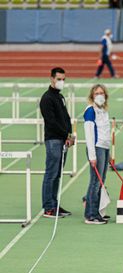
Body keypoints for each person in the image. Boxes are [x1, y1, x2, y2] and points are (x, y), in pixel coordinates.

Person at [40, 67, 74, 218]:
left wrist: (70, 134)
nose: (61, 82)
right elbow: (51, 122)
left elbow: (66, 118)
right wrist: (65, 134)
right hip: (53, 140)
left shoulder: (60, 97)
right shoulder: (47, 98)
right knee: (51, 174)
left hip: (63, 139)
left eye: (63, 79)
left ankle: (54, 204)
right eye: (59, 79)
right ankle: (48, 207)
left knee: (58, 174)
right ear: (52, 79)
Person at [83, 84, 111, 225]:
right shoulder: (90, 111)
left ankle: (98, 211)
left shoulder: (103, 111)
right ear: (92, 96)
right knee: (95, 182)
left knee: (101, 182)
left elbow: (106, 131)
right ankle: (91, 214)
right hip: (96, 148)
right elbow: (89, 134)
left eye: (102, 93)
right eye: (96, 93)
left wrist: (109, 152)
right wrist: (92, 156)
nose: (100, 95)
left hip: (104, 148)